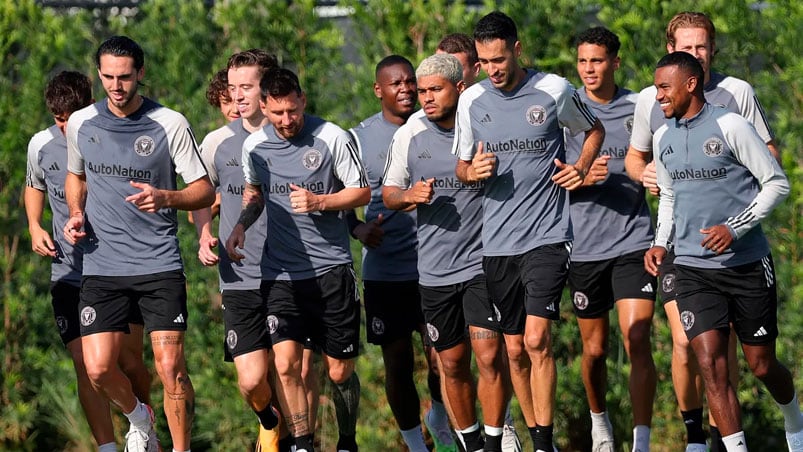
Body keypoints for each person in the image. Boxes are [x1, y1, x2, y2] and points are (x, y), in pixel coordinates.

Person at [623, 12, 779, 451]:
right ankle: (697, 438)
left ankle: (726, 435)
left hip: (737, 248)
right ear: (671, 48)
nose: (696, 54)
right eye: (686, 47)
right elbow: (638, 160)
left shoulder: (736, 96)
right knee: (689, 343)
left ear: (711, 50)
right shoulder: (651, 102)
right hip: (681, 244)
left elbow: (768, 158)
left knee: (743, 356)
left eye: (702, 46)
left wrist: (736, 219)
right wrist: (651, 176)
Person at [453, 11, 604, 452]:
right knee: (514, 350)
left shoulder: (554, 90)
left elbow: (593, 129)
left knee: (537, 340)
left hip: (548, 236)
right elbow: (461, 165)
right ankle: (539, 437)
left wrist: (579, 166)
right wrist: (471, 171)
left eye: (499, 59)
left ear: (517, 50)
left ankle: (542, 443)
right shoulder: (471, 101)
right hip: (497, 243)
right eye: (484, 62)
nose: (493, 69)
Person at [645, 51, 802, 452]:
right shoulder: (662, 136)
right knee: (711, 366)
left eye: (665, 87)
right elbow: (669, 197)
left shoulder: (731, 125)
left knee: (760, 364)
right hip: (693, 270)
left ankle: (794, 420)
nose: (658, 95)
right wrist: (661, 243)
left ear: (690, 84)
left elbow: (776, 184)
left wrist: (734, 227)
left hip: (747, 265)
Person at [63, 36, 215, 452]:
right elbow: (75, 176)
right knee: (97, 369)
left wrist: (167, 197)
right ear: (99, 75)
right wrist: (76, 212)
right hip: (101, 266)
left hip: (158, 266)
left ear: (140, 74)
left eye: (125, 77)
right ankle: (138, 417)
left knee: (171, 370)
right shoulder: (81, 122)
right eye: (109, 77)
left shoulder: (170, 123)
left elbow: (203, 190)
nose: (117, 86)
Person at [226, 67, 369, 452]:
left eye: (292, 111)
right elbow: (254, 195)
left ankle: (347, 440)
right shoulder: (254, 147)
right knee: (286, 364)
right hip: (281, 273)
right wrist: (240, 225)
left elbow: (361, 193)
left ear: (302, 100)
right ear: (264, 108)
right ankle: (302, 443)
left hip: (331, 271)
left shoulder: (331, 137)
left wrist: (320, 202)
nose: (287, 121)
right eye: (277, 113)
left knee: (339, 371)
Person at [383, 52, 513, 452]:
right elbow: (388, 194)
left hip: (482, 264)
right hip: (436, 272)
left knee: (489, 354)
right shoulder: (409, 134)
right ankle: (471, 443)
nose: (426, 98)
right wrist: (409, 195)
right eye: (422, 91)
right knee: (452, 363)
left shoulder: (487, 123)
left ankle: (494, 441)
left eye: (435, 89)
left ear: (460, 87)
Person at [25, 70, 153, 452]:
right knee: (87, 365)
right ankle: (107, 446)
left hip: (119, 269)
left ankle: (145, 426)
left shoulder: (114, 137)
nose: (65, 128)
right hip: (69, 272)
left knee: (129, 363)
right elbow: (34, 185)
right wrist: (33, 226)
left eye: (72, 118)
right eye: (58, 120)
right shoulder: (40, 145)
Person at [347, 55, 456, 452]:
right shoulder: (357, 138)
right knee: (397, 362)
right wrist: (355, 227)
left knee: (444, 358)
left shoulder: (441, 124)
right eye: (396, 84)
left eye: (411, 82)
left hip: (437, 265)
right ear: (379, 89)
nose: (406, 89)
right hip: (385, 270)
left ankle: (441, 420)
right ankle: (415, 443)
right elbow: (339, 193)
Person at [564, 27, 656, 452]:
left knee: (637, 337)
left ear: (615, 62)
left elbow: (662, 160)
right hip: (583, 247)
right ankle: (600, 422)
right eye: (583, 61)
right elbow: (543, 180)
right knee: (595, 350)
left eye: (597, 60)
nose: (588, 69)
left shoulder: (641, 106)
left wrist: (658, 180)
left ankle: (641, 438)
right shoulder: (564, 111)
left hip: (634, 240)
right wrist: (580, 179)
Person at [191, 49, 282, 449]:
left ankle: (298, 440)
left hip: (289, 272)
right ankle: (268, 419)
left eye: (245, 87)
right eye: (232, 89)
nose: (238, 97)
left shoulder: (289, 133)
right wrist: (204, 233)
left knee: (291, 369)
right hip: (239, 273)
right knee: (251, 379)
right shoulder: (216, 143)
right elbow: (200, 195)